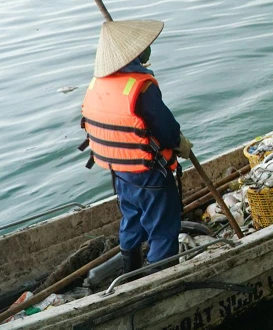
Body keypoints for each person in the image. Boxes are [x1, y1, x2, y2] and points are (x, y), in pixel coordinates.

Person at [79, 19, 193, 273]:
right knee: (163, 227)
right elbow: (165, 128)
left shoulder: (99, 83)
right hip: (149, 172)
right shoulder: (140, 87)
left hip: (119, 171)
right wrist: (180, 143)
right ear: (136, 53)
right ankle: (158, 281)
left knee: (132, 220)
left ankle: (130, 272)